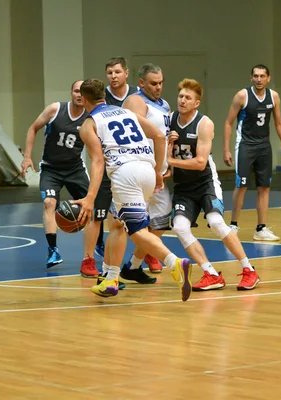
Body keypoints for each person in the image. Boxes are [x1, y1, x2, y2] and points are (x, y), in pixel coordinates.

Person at [72, 78, 192, 301]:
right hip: (146, 170)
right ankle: (110, 278)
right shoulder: (125, 112)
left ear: (85, 100)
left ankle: (175, 263)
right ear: (104, 96)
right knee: (117, 223)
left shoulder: (89, 124)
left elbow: (98, 163)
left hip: (125, 174)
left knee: (136, 231)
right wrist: (158, 170)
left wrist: (89, 198)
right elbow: (158, 135)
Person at [168, 78, 260, 291]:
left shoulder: (204, 123)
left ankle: (249, 270)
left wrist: (170, 161)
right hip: (183, 187)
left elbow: (200, 163)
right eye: (180, 96)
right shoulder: (170, 119)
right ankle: (210, 273)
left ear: (196, 103)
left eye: (187, 98)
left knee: (216, 222)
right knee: (180, 227)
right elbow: (162, 150)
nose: (182, 100)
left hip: (205, 183)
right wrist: (167, 144)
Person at [20, 80, 110, 277]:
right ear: (71, 93)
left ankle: (99, 243)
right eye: (76, 91)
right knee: (49, 202)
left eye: (81, 92)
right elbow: (33, 128)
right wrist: (27, 157)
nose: (79, 95)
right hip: (51, 169)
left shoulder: (91, 117)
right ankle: (53, 250)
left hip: (75, 169)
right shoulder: (55, 109)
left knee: (93, 204)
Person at [223, 64, 281, 241]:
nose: (259, 79)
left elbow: (278, 123)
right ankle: (233, 225)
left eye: (262, 76)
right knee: (242, 185)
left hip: (264, 146)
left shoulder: (273, 96)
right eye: (256, 76)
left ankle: (261, 229)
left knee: (264, 187)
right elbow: (229, 123)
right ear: (251, 77)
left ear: (268, 78)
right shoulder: (242, 96)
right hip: (245, 145)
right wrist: (226, 149)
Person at [119, 63, 173, 280]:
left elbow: (164, 136)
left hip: (157, 172)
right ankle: (108, 272)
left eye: (161, 83)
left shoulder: (164, 104)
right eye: (153, 83)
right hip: (139, 171)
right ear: (141, 82)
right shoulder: (136, 101)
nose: (158, 87)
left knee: (159, 223)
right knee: (125, 225)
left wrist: (166, 163)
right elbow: (135, 135)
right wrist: (155, 167)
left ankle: (132, 266)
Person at [91, 57, 141, 259]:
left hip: (134, 162)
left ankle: (146, 253)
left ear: (126, 73)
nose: (114, 76)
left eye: (117, 72)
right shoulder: (102, 98)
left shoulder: (137, 96)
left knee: (139, 214)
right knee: (98, 213)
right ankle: (89, 258)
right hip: (108, 162)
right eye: (110, 73)